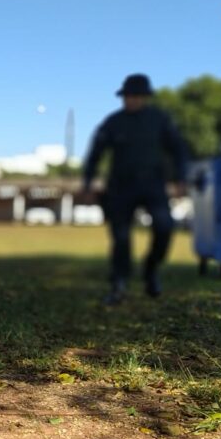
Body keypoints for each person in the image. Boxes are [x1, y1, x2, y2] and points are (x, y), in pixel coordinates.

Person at [82, 74, 188, 305]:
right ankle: (119, 282)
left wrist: (181, 178)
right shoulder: (114, 122)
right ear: (124, 97)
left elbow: (178, 149)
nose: (132, 100)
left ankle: (151, 269)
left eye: (137, 96)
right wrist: (88, 182)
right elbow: (95, 153)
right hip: (121, 186)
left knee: (164, 226)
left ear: (145, 97)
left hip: (153, 184)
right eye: (128, 96)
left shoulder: (159, 119)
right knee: (120, 237)